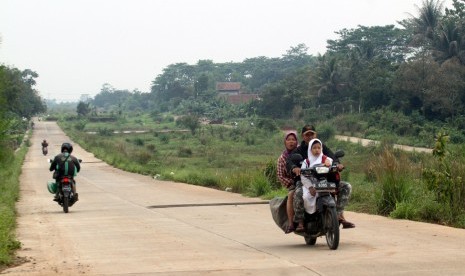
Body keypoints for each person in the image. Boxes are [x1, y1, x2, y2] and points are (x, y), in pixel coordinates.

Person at [288, 124, 355, 229]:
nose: (317, 149)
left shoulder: (322, 148)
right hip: (306, 180)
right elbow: (290, 161)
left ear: (316, 135)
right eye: (307, 134)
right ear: (303, 136)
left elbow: (332, 158)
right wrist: (294, 168)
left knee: (346, 186)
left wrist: (338, 165)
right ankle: (300, 220)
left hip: (325, 179)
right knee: (298, 193)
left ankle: (338, 214)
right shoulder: (299, 151)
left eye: (312, 134)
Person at [294, 138, 333, 230]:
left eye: (319, 148)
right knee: (305, 197)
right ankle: (301, 221)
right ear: (310, 150)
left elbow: (331, 162)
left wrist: (329, 163)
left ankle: (337, 216)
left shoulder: (325, 158)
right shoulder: (306, 162)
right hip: (310, 185)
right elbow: (303, 176)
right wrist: (310, 187)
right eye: (314, 148)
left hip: (323, 184)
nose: (317, 150)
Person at [276, 131, 299, 233]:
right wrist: (292, 182)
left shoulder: (302, 151)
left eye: (293, 140)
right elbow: (281, 176)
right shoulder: (282, 158)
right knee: (291, 195)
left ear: (297, 141)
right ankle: (291, 223)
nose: (291, 142)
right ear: (285, 142)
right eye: (288, 139)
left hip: (307, 179)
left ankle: (339, 216)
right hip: (293, 183)